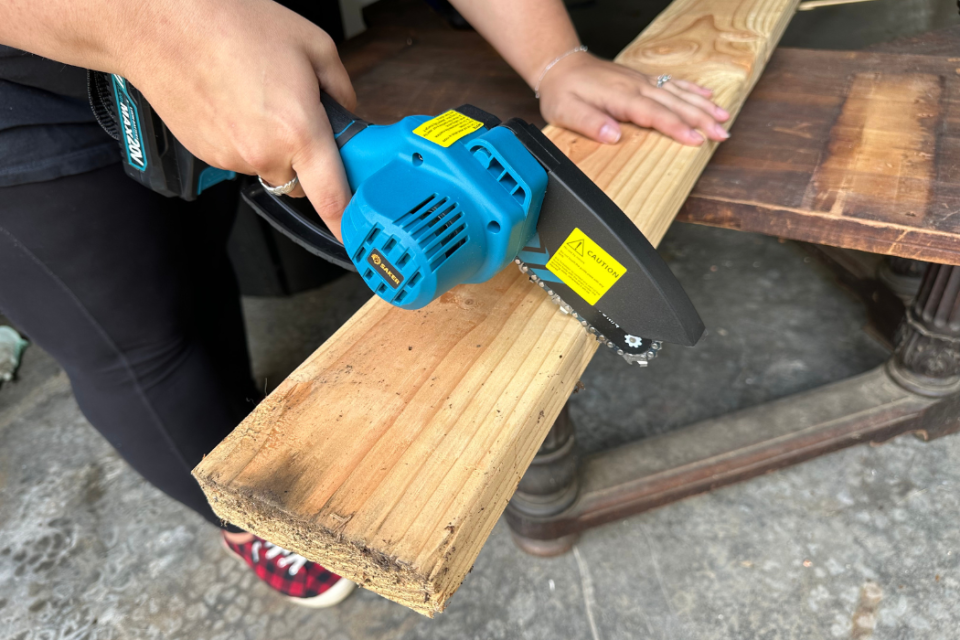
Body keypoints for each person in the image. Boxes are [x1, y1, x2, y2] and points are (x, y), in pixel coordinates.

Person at [0, 0, 729, 607]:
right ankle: (248, 523)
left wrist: (555, 60)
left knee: (195, 254)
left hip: (244, 40)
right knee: (138, 342)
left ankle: (231, 403)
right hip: (23, 99)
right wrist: (150, 24)